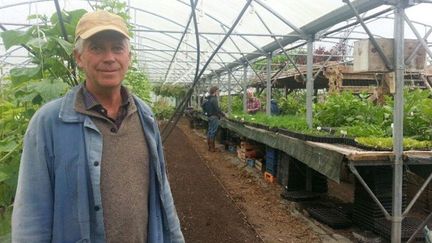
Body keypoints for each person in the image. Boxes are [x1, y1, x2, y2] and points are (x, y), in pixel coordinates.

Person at [12, 10, 184, 243]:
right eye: (97, 48)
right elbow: (31, 215)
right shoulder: (49, 122)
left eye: (117, 48)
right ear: (79, 57)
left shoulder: (145, 116)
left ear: (129, 57)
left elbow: (162, 192)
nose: (109, 57)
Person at [205, 86, 225, 152]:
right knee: (213, 131)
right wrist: (223, 114)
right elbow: (217, 109)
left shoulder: (209, 98)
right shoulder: (214, 99)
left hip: (209, 116)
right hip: (214, 117)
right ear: (215, 91)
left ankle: (209, 146)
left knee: (210, 131)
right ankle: (212, 148)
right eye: (218, 91)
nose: (219, 92)